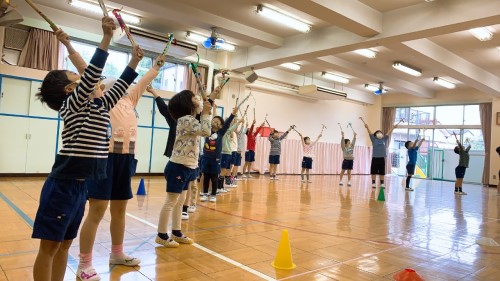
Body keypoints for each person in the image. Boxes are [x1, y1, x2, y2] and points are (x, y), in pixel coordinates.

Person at [32, 17, 140, 281]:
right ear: (71, 89)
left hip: (80, 187)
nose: (85, 79)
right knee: (49, 247)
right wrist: (105, 38)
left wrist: (134, 62)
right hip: (63, 186)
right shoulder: (74, 103)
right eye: (78, 78)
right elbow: (92, 72)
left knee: (64, 245)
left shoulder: (97, 105)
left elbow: (120, 89)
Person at [61, 42, 162, 281]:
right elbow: (86, 70)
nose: (123, 88)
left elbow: (143, 82)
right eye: (116, 85)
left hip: (126, 160)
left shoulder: (130, 100)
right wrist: (69, 45)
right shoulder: (101, 98)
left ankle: (117, 253)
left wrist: (155, 68)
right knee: (97, 210)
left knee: (120, 209)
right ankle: (84, 263)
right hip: (103, 159)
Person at [156, 90, 211, 247]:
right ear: (188, 103)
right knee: (171, 201)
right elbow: (206, 131)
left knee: (180, 201)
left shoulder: (191, 119)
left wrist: (206, 112)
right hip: (178, 166)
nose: (198, 99)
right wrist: (206, 113)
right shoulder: (186, 120)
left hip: (189, 166)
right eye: (195, 97)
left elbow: (203, 127)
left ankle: (176, 231)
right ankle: (161, 234)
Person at [200, 107, 238, 202]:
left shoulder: (221, 132)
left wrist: (233, 114)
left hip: (216, 159)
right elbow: (206, 118)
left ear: (221, 126)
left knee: (214, 178)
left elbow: (227, 122)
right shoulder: (208, 130)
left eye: (218, 121)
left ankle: (213, 194)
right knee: (206, 177)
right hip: (205, 157)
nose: (215, 122)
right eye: (214, 120)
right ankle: (204, 193)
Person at [360, 117, 402, 189]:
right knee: (373, 171)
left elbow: (389, 133)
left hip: (382, 158)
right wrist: (367, 127)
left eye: (381, 133)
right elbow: (370, 133)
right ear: (376, 135)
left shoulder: (384, 139)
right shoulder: (373, 139)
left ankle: (382, 183)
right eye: (378, 133)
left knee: (382, 171)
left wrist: (393, 127)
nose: (380, 133)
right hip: (375, 158)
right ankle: (373, 183)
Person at [221, 117, 243, 190]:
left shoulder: (231, 131)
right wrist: (236, 121)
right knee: (227, 168)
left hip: (231, 152)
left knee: (228, 168)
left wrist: (237, 120)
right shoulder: (228, 132)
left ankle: (227, 183)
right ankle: (224, 184)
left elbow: (234, 126)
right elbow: (232, 128)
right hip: (229, 151)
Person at [243, 112, 264, 178]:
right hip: (248, 151)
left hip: (252, 151)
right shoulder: (249, 135)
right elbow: (252, 128)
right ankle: (243, 173)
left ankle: (248, 174)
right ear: (248, 132)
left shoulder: (254, 135)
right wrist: (253, 124)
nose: (251, 130)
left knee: (250, 163)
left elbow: (257, 131)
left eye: (251, 130)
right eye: (249, 130)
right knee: (246, 162)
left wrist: (261, 125)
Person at [232, 117, 248, 182]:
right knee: (235, 165)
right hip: (236, 152)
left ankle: (235, 176)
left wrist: (246, 126)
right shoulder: (237, 134)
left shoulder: (241, 134)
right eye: (236, 129)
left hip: (239, 152)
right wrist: (242, 124)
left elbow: (243, 131)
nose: (237, 130)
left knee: (237, 165)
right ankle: (232, 177)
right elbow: (242, 131)